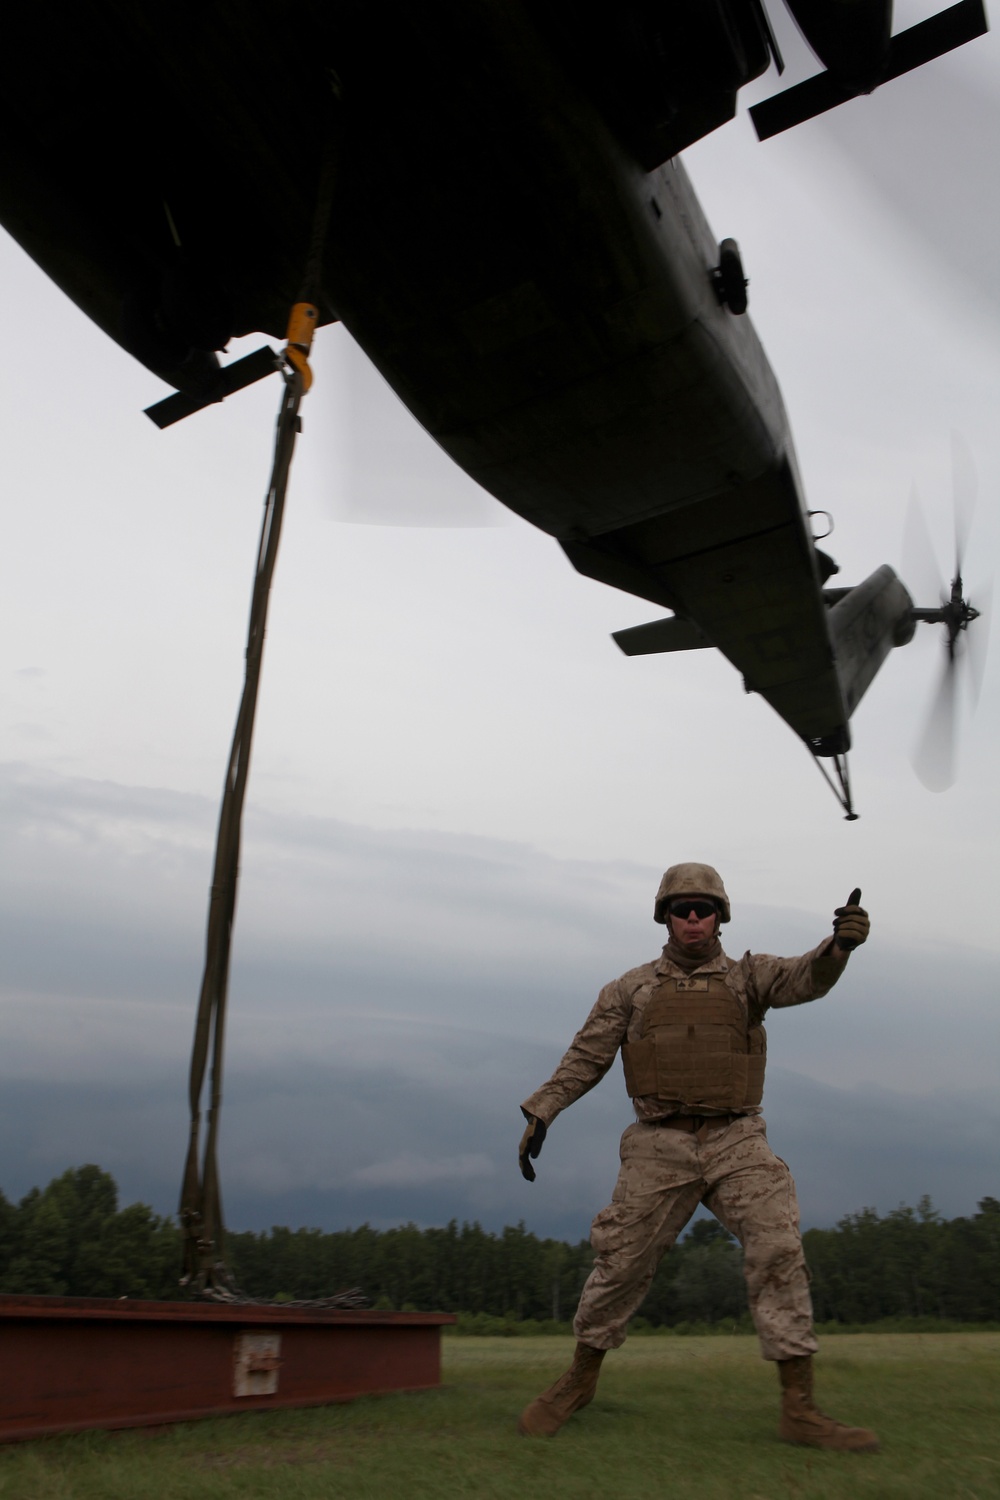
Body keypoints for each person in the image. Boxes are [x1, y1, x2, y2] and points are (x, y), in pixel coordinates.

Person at [516, 862, 877, 1452]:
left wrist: (837, 947)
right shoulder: (629, 989)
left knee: (778, 1247)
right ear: (664, 916)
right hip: (659, 1142)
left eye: (703, 909)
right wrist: (542, 1111)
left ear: (719, 917)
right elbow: (586, 1057)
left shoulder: (747, 978)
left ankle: (800, 1407)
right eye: (681, 909)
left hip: (737, 1139)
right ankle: (578, 1382)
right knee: (621, 1261)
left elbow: (803, 978)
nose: (692, 919)